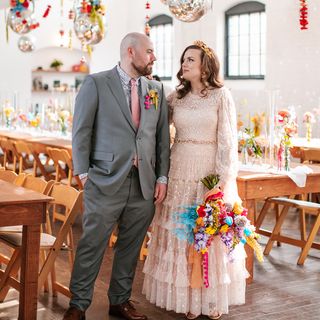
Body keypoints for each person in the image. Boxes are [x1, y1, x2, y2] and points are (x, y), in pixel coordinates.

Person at [63, 32, 170, 320]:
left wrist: (162, 178)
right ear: (131, 52)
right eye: (149, 52)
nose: (154, 58)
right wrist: (84, 173)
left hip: (144, 183)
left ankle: (120, 301)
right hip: (105, 179)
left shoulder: (156, 89)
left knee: (130, 246)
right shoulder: (97, 83)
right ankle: (78, 304)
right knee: (92, 243)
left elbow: (161, 139)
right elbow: (81, 131)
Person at [142, 41, 248, 319]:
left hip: (208, 171)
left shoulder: (220, 95)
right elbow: (155, 126)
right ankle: (187, 299)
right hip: (178, 169)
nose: (184, 64)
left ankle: (209, 300)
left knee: (207, 234)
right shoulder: (175, 97)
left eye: (191, 60)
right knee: (181, 233)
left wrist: (223, 180)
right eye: (184, 59)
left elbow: (228, 140)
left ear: (205, 66)